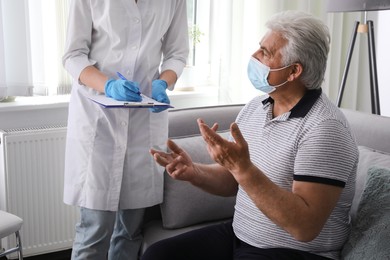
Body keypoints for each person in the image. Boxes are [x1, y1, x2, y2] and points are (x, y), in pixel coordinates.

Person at [144, 10, 358, 260]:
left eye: (265, 53)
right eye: (259, 48)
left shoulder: (325, 129)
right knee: (158, 255)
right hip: (241, 236)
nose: (254, 57)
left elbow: (305, 227)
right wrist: (194, 172)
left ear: (293, 71)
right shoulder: (257, 107)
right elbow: (233, 180)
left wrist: (244, 168)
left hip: (295, 252)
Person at [62, 1, 189, 259]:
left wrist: (162, 83)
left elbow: (177, 53)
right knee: (94, 231)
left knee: (130, 232)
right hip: (98, 120)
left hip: (144, 123)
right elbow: (73, 55)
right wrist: (108, 85)